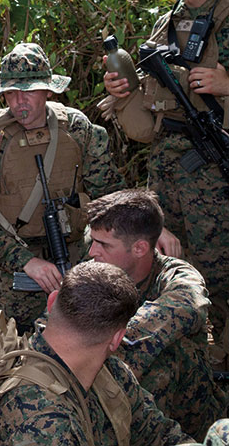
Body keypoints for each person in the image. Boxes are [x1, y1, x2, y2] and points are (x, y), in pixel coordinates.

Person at [103, 0, 229, 364]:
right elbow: (149, 96)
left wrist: (227, 83)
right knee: (163, 267)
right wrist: (124, 93)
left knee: (221, 271)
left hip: (217, 168)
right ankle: (181, 364)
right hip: (168, 164)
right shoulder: (168, 21)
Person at [0, 42, 125, 333]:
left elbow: (109, 195)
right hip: (13, 261)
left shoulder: (76, 128)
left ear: (48, 90)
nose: (19, 101)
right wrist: (26, 261)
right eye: (10, 93)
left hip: (76, 254)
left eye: (29, 91)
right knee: (6, 344)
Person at [0, 260, 195, 446]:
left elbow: (156, 433)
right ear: (116, 339)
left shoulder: (110, 370)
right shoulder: (43, 425)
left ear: (51, 300)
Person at [86, 188, 228, 440]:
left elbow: (186, 306)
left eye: (103, 244)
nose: (91, 253)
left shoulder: (175, 275)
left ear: (140, 248)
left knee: (168, 353)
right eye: (93, 241)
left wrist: (105, 353)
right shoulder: (94, 271)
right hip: (121, 398)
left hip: (186, 414)